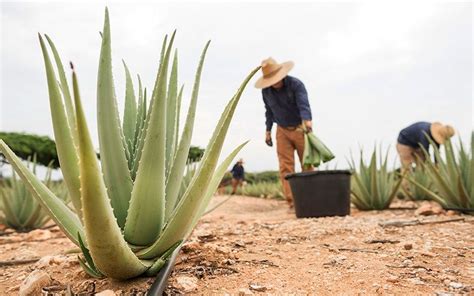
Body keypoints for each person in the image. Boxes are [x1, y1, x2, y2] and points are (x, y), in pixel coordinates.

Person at [254, 57, 313, 208]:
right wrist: (268, 130)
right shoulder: (266, 92)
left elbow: (303, 104)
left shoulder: (296, 84)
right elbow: (269, 111)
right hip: (281, 130)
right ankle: (292, 202)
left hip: (300, 128)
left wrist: (307, 121)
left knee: (307, 164)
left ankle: (310, 198)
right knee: (285, 167)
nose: (274, 82)